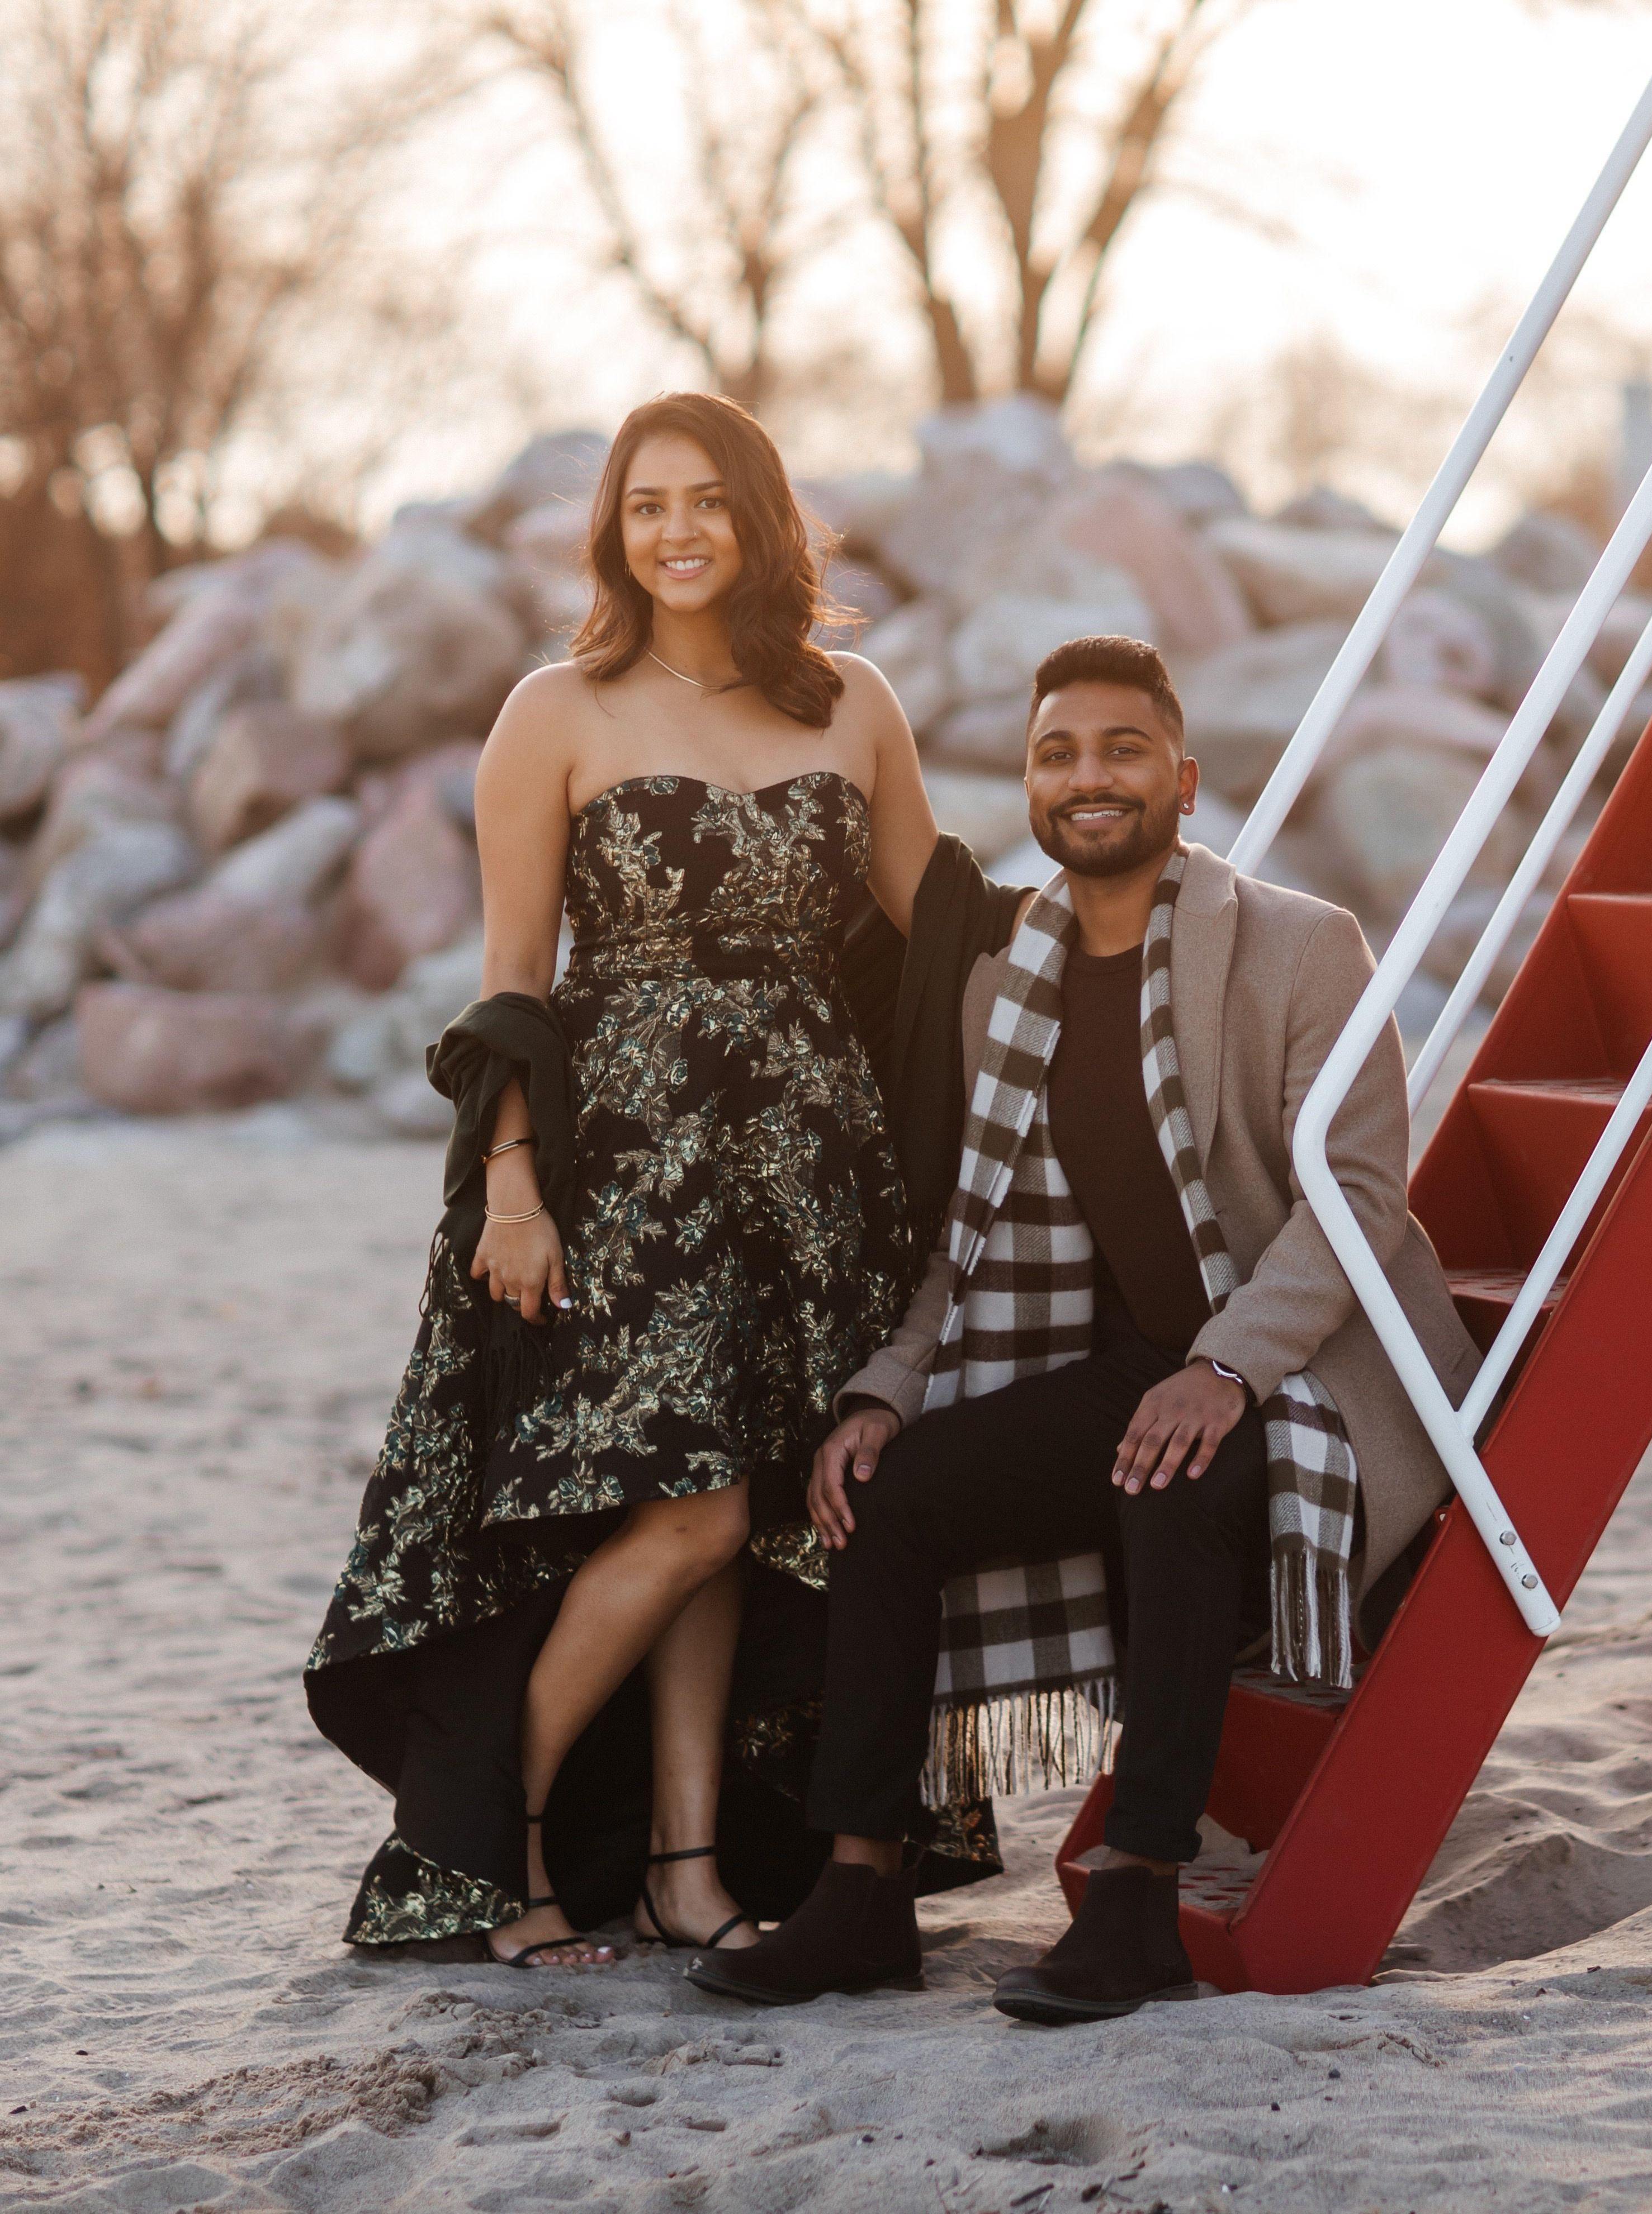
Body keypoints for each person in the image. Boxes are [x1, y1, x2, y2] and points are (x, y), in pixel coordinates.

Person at [305, 392, 1015, 1970]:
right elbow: (511, 990)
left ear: (765, 521)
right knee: (684, 1518)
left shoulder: (856, 704)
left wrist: (1152, 931)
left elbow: (946, 934)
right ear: (615, 534)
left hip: (814, 1177)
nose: (677, 530)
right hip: (629, 1175)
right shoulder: (555, 711)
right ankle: (493, 1855)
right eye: (645, 506)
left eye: (707, 501)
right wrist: (512, 1190)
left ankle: (689, 1872)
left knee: (749, 1517)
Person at [685, 633, 1483, 2023]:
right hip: (1129, 1364)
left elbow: (1354, 1197)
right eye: (1058, 753)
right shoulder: (1012, 979)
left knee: (1165, 1472)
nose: (1087, 777)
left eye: (1121, 751)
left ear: (1183, 780)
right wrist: (881, 1393)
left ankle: (1137, 1895)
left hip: (1311, 1374)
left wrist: (1226, 1366)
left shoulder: (1302, 946)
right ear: (1034, 785)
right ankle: (863, 1888)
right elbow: (970, 1230)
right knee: (894, 1492)